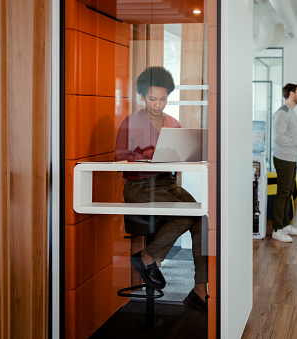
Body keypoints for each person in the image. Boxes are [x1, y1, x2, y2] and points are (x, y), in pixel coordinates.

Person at [114, 66, 208, 309]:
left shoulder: (173, 123)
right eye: (152, 98)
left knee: (201, 218)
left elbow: (180, 157)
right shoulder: (130, 123)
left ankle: (199, 288)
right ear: (142, 97)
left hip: (166, 182)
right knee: (187, 213)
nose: (158, 104)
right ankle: (148, 257)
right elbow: (119, 161)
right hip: (139, 186)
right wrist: (145, 156)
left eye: (163, 98)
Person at [271, 83, 297, 243]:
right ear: (292, 94)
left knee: (288, 193)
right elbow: (278, 137)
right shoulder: (282, 112)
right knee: (282, 193)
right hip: (283, 158)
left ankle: (285, 224)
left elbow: (287, 135)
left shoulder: (291, 112)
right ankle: (277, 229)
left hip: (290, 158)